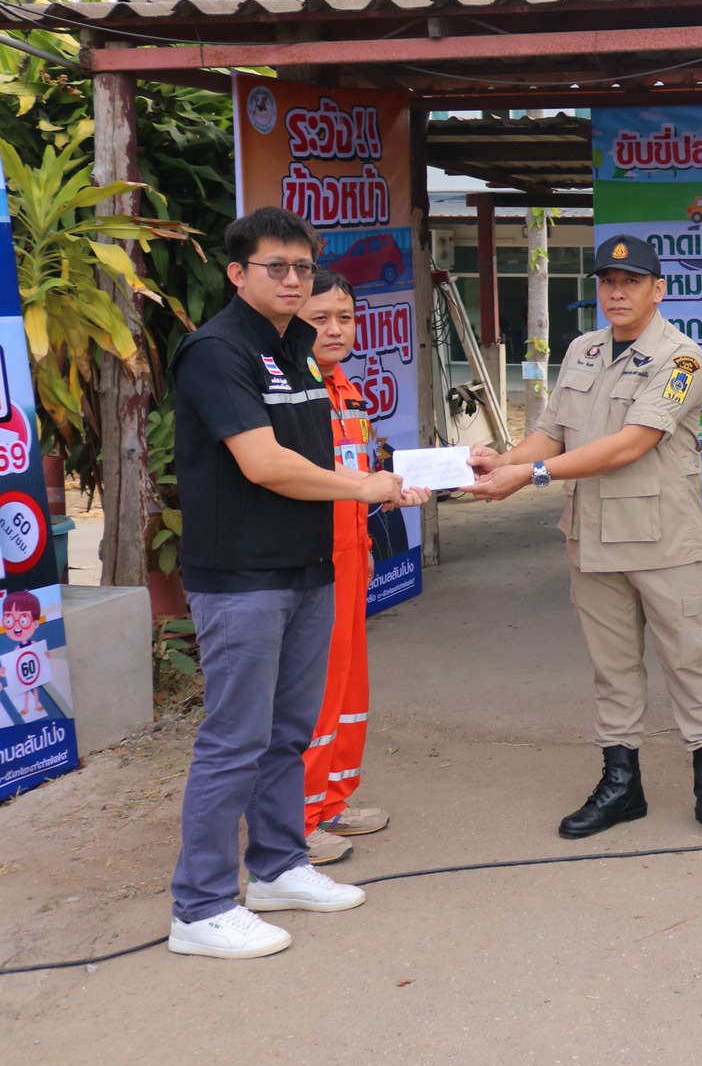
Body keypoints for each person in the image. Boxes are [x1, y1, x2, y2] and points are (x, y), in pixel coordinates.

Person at [167, 207, 402, 959]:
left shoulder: (296, 349)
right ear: (238, 273)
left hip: (308, 567)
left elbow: (323, 455)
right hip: (241, 576)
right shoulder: (217, 350)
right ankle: (201, 907)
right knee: (234, 738)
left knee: (289, 734)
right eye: (278, 267)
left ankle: (276, 868)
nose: (294, 280)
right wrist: (362, 488)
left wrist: (385, 479)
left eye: (303, 266)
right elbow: (264, 463)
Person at [465, 234, 702, 846]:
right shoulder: (583, 350)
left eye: (631, 282)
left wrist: (530, 476)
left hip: (663, 539)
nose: (617, 292)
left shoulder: (682, 359)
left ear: (657, 290)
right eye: (608, 282)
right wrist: (502, 463)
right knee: (612, 668)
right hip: (591, 536)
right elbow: (552, 433)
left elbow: (629, 445)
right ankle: (622, 786)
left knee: (689, 661)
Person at [299, 271, 429, 865]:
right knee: (315, 692)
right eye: (319, 318)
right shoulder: (292, 392)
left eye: (345, 318)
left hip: (352, 551)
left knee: (350, 685)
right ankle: (297, 820)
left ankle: (332, 800)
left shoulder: (346, 388)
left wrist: (386, 499)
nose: (335, 329)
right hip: (311, 558)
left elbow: (358, 473)